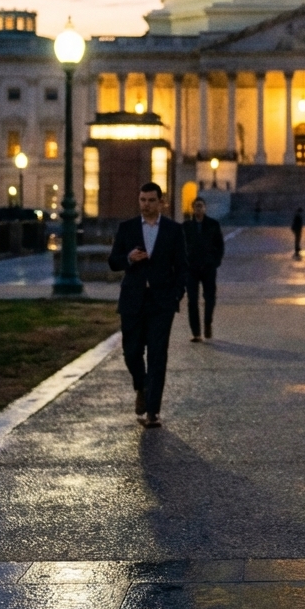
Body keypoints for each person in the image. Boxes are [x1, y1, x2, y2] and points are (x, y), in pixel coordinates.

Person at [108, 182, 188, 428]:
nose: (146, 205)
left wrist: (175, 296)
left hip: (161, 303)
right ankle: (141, 386)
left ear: (160, 202)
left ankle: (153, 411)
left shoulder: (174, 230)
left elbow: (182, 267)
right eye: (142, 200)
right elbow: (113, 262)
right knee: (131, 352)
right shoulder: (127, 228)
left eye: (151, 200)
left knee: (157, 355)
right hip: (132, 301)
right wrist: (129, 258)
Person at [184, 195, 225, 341]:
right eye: (196, 206)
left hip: (208, 268)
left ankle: (208, 324)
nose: (198, 209)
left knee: (209, 299)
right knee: (192, 300)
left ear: (205, 208)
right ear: (193, 208)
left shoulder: (213, 224)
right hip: (192, 269)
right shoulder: (187, 226)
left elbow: (220, 245)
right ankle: (196, 332)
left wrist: (216, 261)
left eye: (201, 206)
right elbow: (181, 246)